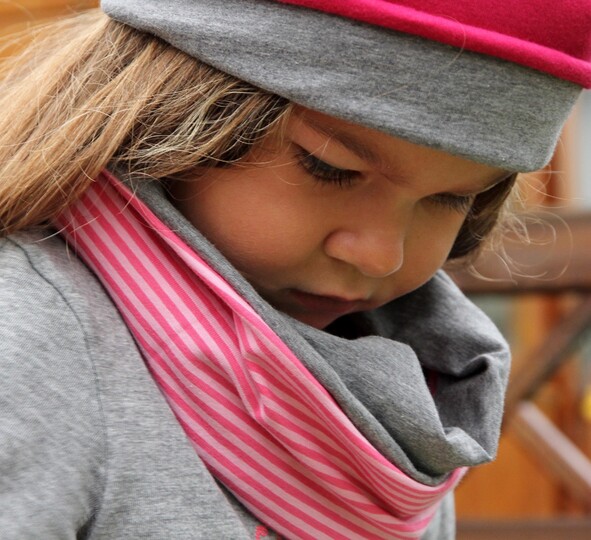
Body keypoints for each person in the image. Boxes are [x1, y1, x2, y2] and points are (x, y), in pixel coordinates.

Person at [0, 1, 589, 538]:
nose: (381, 255)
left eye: (452, 199)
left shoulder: (422, 388)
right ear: (172, 112)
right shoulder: (28, 341)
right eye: (329, 167)